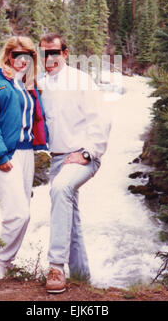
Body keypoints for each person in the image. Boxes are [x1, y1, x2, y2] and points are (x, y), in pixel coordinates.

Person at [0, 36, 48, 281]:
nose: (22, 61)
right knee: (18, 213)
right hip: (6, 155)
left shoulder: (28, 86)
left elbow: (38, 119)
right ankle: (0, 263)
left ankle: (6, 262)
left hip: (27, 154)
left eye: (28, 56)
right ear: (8, 57)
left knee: (24, 213)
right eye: (17, 56)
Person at [38, 33, 110, 294]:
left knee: (60, 190)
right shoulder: (41, 84)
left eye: (54, 52)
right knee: (71, 219)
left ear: (65, 53)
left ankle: (56, 266)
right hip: (57, 159)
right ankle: (81, 278)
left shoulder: (81, 80)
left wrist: (89, 153)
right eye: (44, 53)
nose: (49, 58)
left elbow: (102, 120)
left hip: (82, 156)